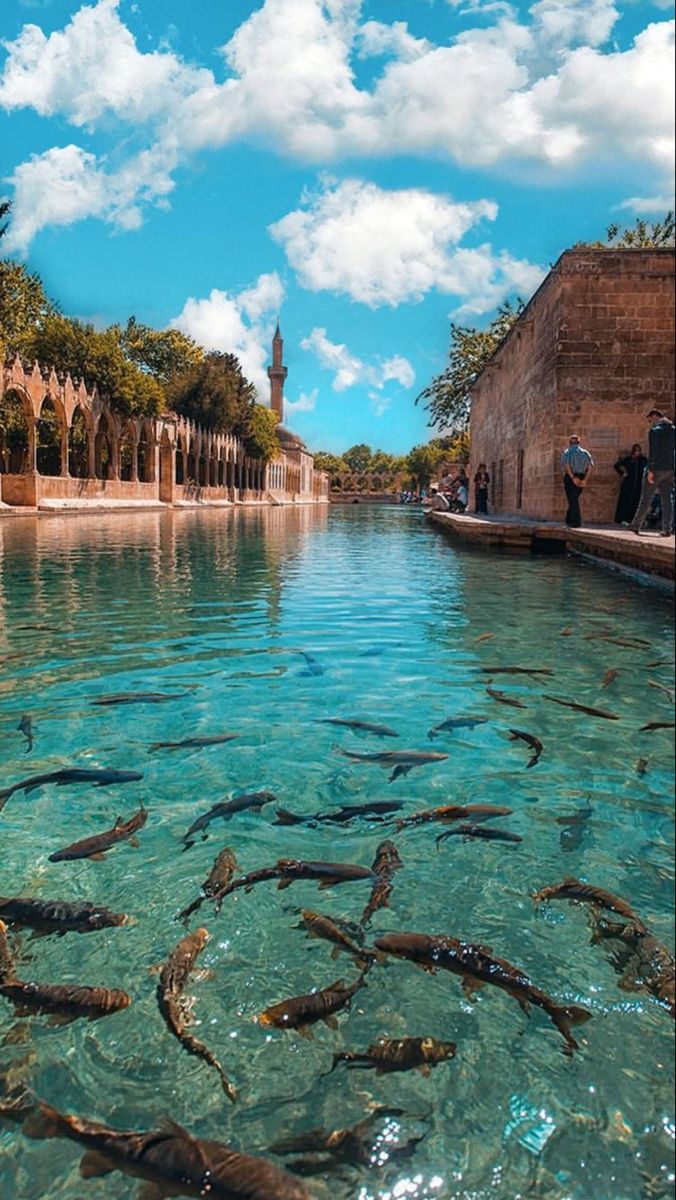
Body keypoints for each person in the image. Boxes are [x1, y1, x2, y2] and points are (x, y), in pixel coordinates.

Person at [630, 408, 675, 537]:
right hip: (670, 470)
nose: (650, 422)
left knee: (646, 499)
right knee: (667, 501)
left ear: (655, 416)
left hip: (656, 469)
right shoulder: (673, 430)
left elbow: (653, 452)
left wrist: (651, 470)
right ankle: (667, 529)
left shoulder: (655, 431)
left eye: (650, 420)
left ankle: (635, 525)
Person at [561, 434, 595, 528]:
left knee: (573, 500)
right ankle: (568, 521)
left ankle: (575, 523)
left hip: (570, 477)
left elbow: (566, 465)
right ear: (579, 443)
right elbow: (590, 467)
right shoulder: (586, 453)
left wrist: (573, 478)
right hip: (581, 476)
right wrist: (585, 480)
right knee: (573, 499)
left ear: (570, 443)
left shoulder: (567, 452)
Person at [613, 443, 647, 525]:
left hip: (638, 484)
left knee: (636, 502)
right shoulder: (628, 459)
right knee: (626, 502)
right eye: (636, 451)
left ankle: (633, 520)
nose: (637, 453)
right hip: (628, 484)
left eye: (638, 451)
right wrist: (623, 473)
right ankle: (623, 519)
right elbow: (616, 465)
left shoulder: (643, 460)